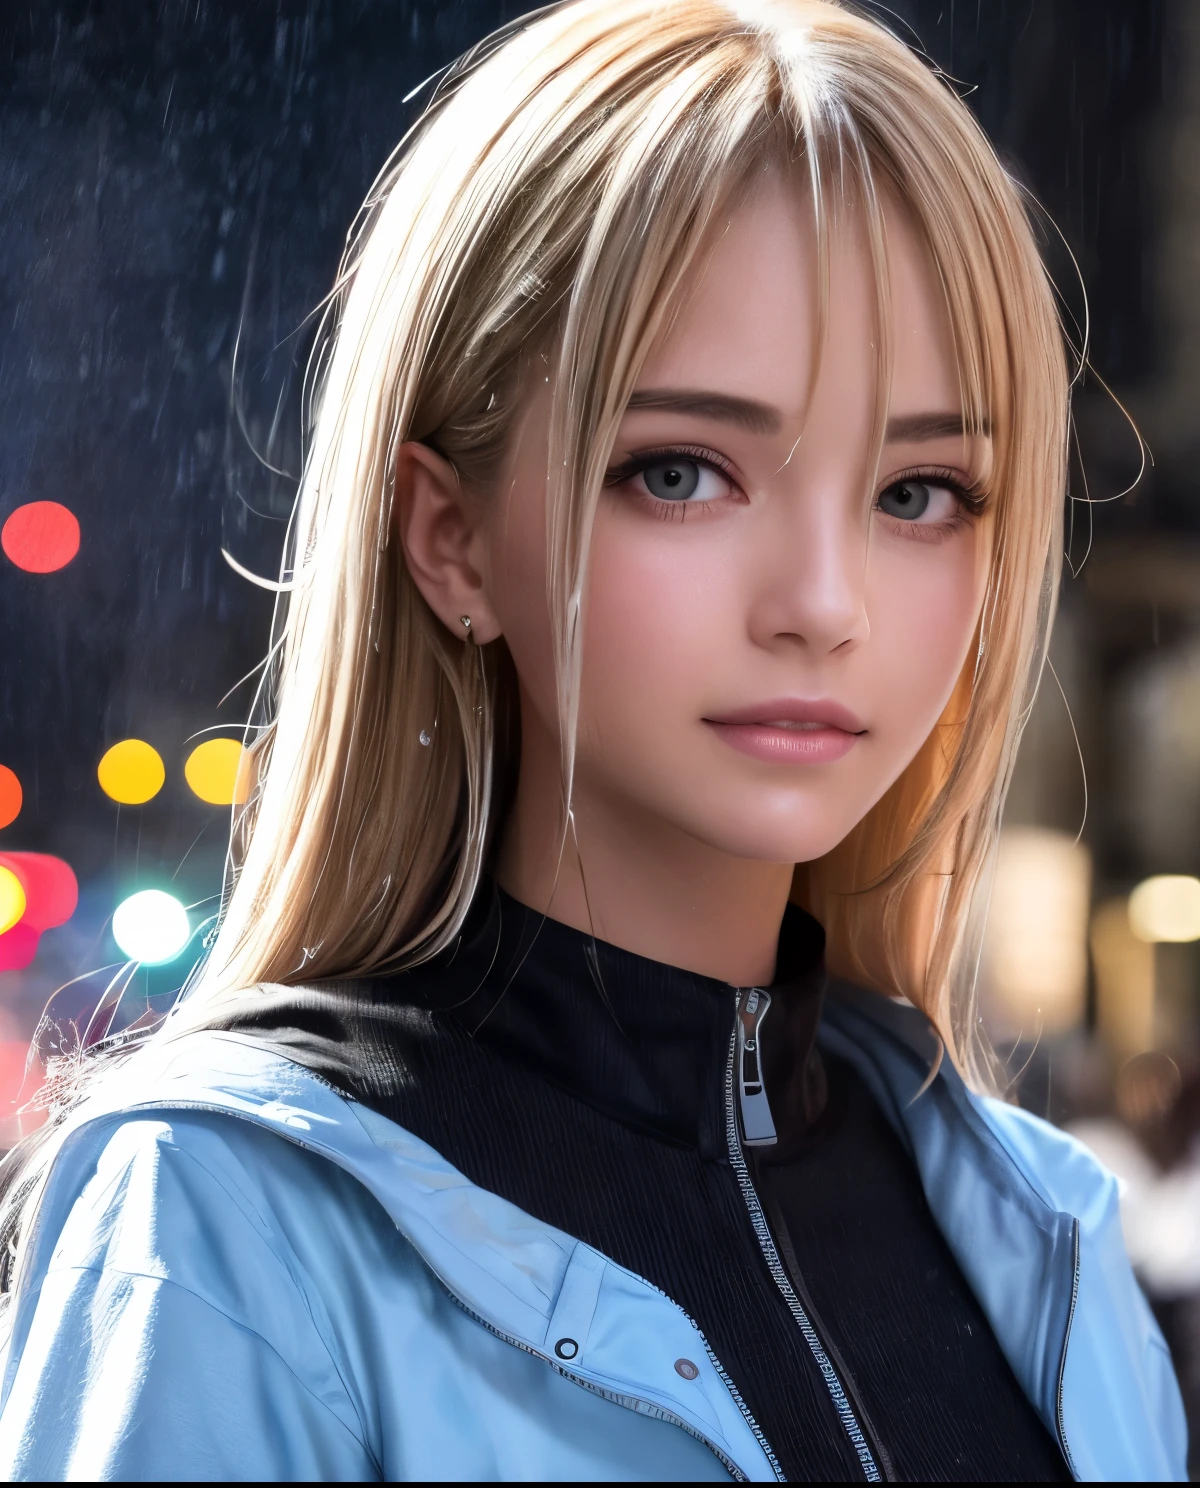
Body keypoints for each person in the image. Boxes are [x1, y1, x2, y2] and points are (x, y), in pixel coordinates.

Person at [0, 0, 1185, 1479]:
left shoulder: (1048, 1238)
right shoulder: (228, 1228)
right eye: (682, 472)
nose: (823, 606)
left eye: (919, 491)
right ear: (452, 539)